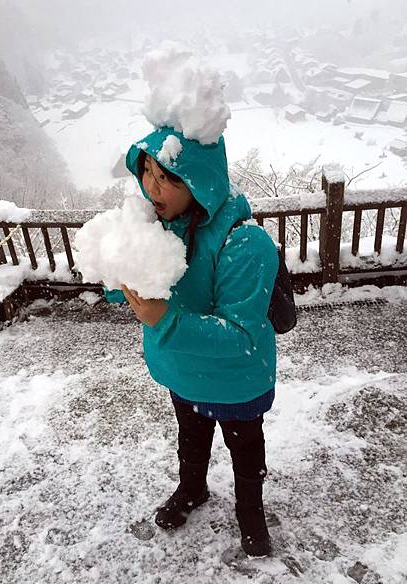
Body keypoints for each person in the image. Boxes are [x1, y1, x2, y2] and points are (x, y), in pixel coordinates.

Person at [104, 126, 279, 557]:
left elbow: (241, 336)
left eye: (166, 177)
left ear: (199, 180)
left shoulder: (245, 243)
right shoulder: (159, 224)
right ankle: (192, 489)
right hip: (182, 373)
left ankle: (250, 513)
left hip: (237, 383)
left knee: (245, 454)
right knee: (192, 440)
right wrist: (119, 267)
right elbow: (128, 288)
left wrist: (165, 319)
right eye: (146, 172)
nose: (151, 187)